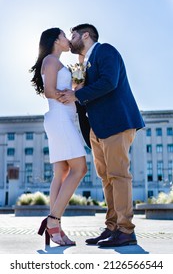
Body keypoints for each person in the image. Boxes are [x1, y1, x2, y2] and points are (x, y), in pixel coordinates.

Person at [58, 23, 145, 247]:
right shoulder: (84, 62)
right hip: (98, 128)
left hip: (116, 122)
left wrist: (76, 95)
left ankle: (126, 231)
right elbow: (83, 92)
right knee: (107, 178)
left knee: (118, 175)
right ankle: (112, 227)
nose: (71, 40)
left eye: (73, 35)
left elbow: (109, 82)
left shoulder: (106, 50)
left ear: (86, 35)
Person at [30, 27, 87, 246]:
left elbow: (74, 89)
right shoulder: (52, 61)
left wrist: (78, 82)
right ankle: (53, 221)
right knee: (79, 168)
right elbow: (49, 91)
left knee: (62, 172)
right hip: (60, 119)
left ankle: (55, 229)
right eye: (64, 36)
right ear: (56, 40)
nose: (67, 39)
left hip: (61, 119)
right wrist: (69, 95)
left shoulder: (59, 62)